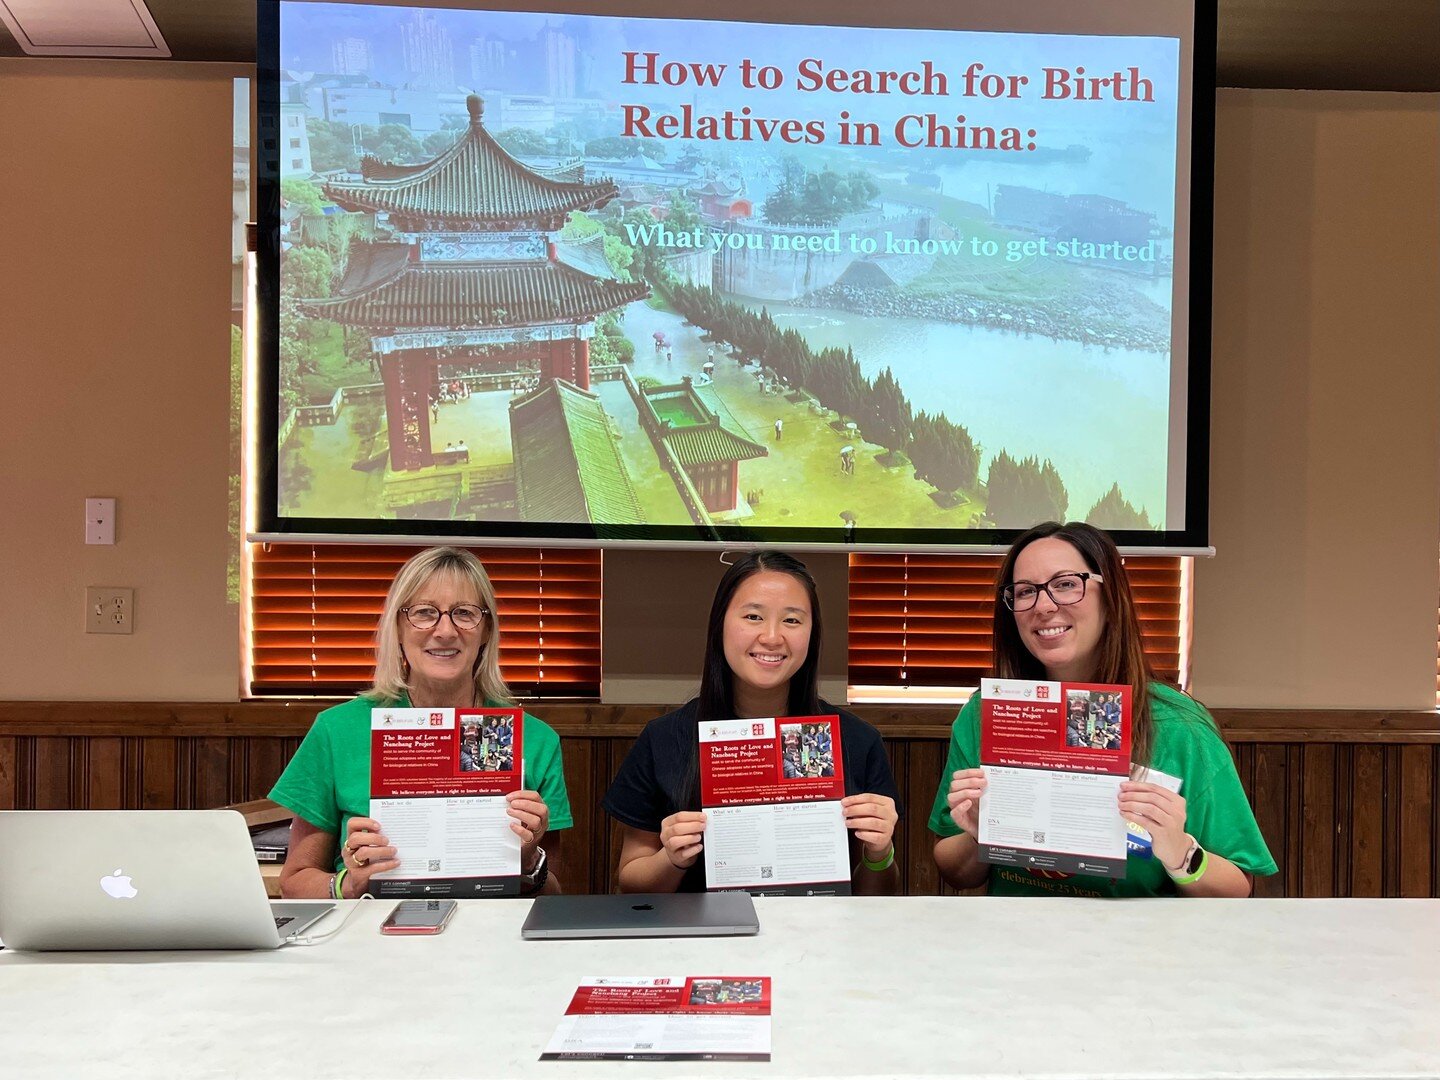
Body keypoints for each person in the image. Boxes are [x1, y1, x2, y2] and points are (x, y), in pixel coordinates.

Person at [930, 521, 1276, 898]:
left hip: (1139, 949)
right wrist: (981, 833)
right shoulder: (986, 715)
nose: (1044, 606)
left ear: (1111, 598)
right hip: (1018, 944)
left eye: (1066, 584)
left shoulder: (1179, 727)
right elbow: (956, 872)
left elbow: (1239, 887)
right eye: (1026, 591)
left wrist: (1179, 851)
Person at [270, 546, 572, 899]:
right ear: (397, 627)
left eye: (464, 613)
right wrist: (348, 885)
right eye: (425, 613)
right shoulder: (336, 730)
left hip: (490, 940)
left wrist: (526, 858)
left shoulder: (535, 740)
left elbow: (553, 894)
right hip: (370, 936)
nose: (445, 631)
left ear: (486, 629)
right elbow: (294, 880)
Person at [603, 551, 902, 894]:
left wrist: (879, 853)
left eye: (792, 620)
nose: (772, 637)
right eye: (753, 616)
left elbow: (880, 898)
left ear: (812, 633)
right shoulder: (665, 738)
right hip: (697, 941)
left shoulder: (857, 740)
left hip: (819, 940)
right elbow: (630, 882)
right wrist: (671, 859)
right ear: (721, 624)